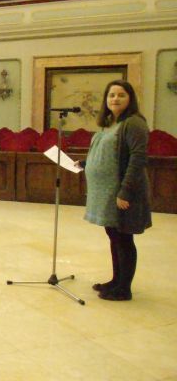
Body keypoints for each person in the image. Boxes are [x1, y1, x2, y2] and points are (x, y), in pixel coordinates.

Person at [80, 80, 151, 301]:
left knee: (123, 237)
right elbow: (108, 153)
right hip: (107, 192)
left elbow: (137, 159)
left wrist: (125, 193)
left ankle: (124, 288)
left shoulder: (134, 123)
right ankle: (116, 280)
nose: (115, 99)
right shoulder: (111, 123)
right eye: (111, 95)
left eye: (121, 95)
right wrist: (87, 163)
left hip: (123, 191)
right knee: (114, 235)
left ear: (130, 99)